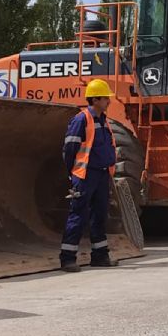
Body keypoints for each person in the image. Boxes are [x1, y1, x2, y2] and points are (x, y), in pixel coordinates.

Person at [59, 78, 119, 272]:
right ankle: (68, 259)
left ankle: (100, 256)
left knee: (99, 215)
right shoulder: (81, 119)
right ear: (94, 100)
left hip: (101, 175)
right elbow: (70, 148)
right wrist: (72, 174)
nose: (109, 101)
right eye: (105, 98)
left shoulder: (104, 121)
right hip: (85, 175)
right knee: (78, 215)